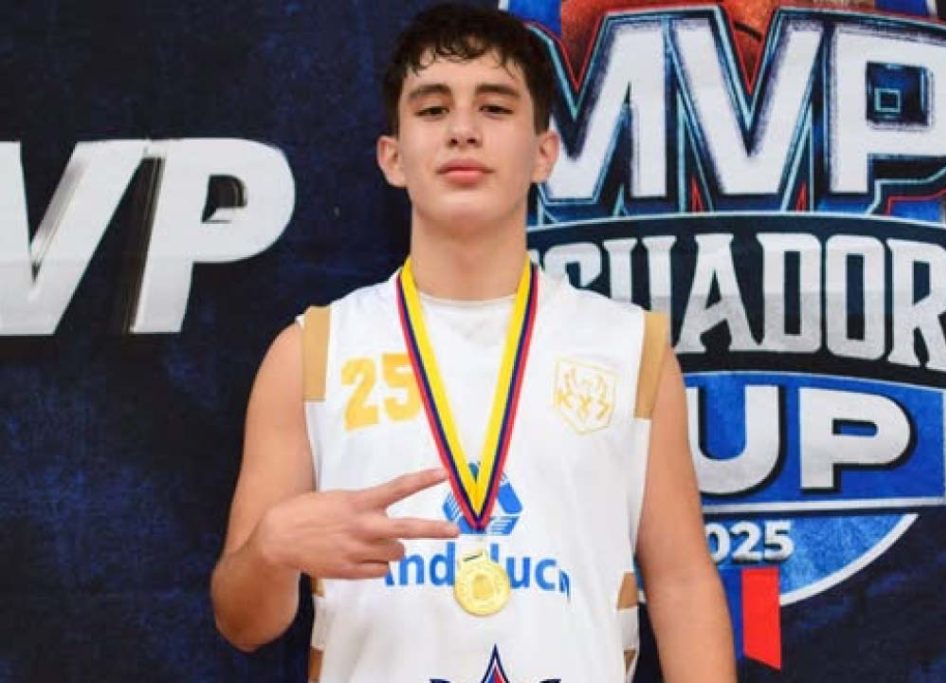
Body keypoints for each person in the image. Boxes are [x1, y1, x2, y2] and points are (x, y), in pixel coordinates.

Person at [210, 4, 735, 681]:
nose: (462, 130)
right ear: (393, 158)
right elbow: (243, 622)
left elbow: (682, 584)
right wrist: (271, 549)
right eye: (432, 110)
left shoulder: (630, 348)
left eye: (494, 107)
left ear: (543, 153)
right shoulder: (312, 351)